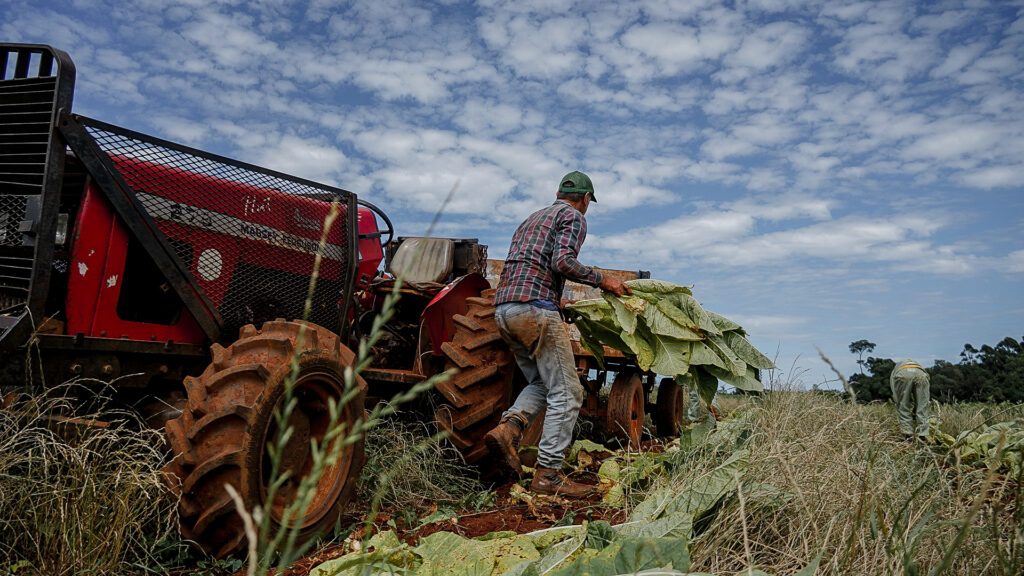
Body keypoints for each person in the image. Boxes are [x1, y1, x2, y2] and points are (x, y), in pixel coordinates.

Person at [484, 171, 630, 497]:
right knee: (569, 392)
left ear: (558, 192)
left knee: (541, 383)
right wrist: (603, 280)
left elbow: (532, 266)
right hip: (535, 311)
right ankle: (548, 475)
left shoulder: (531, 219)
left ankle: (509, 429)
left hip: (505, 309)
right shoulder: (573, 216)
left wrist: (556, 300)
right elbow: (562, 261)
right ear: (586, 198)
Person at [890, 359, 931, 440]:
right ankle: (922, 437)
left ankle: (908, 436)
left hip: (903, 375)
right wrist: (916, 409)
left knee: (903, 405)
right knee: (922, 407)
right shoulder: (916, 364)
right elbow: (922, 400)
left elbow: (896, 397)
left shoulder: (895, 371)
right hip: (921, 374)